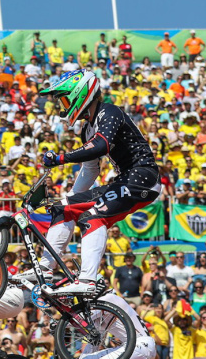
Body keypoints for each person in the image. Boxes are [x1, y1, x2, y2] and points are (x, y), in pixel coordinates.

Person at [24, 70, 161, 296]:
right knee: (62, 208)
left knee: (94, 218)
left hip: (142, 177)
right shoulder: (87, 128)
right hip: (128, 180)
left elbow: (102, 145)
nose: (63, 105)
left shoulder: (109, 111)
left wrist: (60, 158)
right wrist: (69, 200)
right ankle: (45, 268)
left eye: (65, 99)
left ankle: (87, 280)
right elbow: (90, 169)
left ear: (82, 94)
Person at [79, 291, 156, 359]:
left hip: (139, 345)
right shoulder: (105, 312)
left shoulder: (109, 298)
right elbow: (94, 344)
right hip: (142, 348)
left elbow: (79, 318)